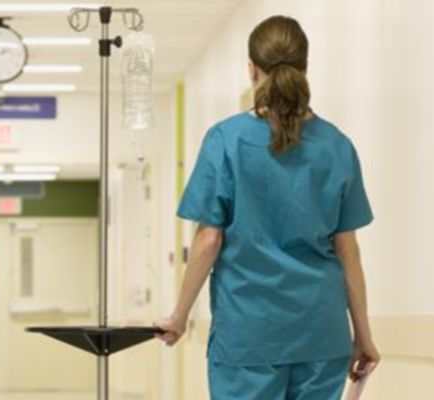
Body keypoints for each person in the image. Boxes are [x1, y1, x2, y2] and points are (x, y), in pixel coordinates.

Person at [154, 15, 381, 400]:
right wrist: (363, 334)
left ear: (251, 69)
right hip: (321, 334)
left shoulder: (225, 139)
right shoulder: (337, 146)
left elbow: (209, 240)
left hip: (248, 335)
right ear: (305, 69)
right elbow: (348, 251)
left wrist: (179, 316)